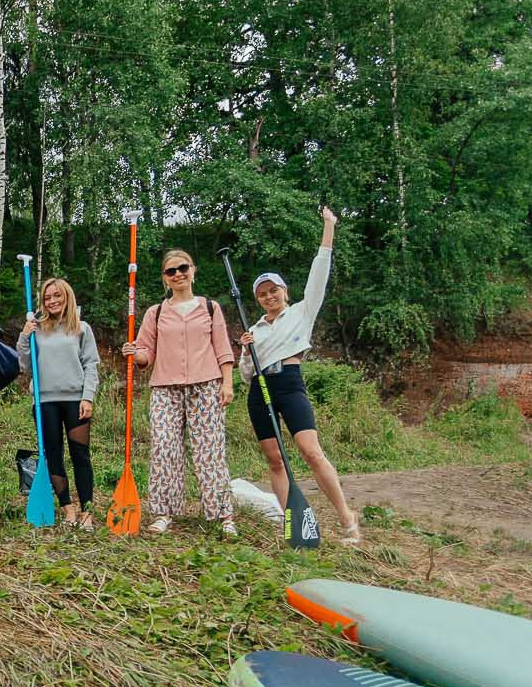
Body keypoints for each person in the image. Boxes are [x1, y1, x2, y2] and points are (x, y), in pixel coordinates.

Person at [239, 206, 363, 545]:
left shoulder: (302, 312)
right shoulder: (255, 329)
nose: (269, 297)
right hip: (260, 390)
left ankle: (347, 518)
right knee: (274, 459)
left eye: (273, 290)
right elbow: (246, 375)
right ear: (258, 299)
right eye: (262, 293)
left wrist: (329, 226)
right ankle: (292, 524)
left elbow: (320, 269)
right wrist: (246, 351)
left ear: (284, 291)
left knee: (310, 451)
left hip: (289, 384)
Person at [124, 249, 236, 536]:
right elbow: (146, 353)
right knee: (164, 448)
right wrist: (135, 353)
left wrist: (227, 383)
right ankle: (164, 512)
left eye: (183, 268)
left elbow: (223, 349)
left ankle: (223, 515)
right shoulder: (156, 312)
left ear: (193, 270)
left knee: (210, 451)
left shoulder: (210, 307)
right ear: (165, 278)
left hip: (206, 386)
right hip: (165, 388)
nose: (178, 274)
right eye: (171, 271)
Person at [16, 277, 99, 528]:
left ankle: (86, 513)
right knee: (52, 455)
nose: (52, 301)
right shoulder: (37, 329)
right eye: (47, 297)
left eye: (57, 296)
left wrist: (87, 397)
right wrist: (24, 336)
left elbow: (91, 364)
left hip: (75, 400)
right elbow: (24, 364)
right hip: (45, 402)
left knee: (80, 455)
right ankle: (68, 510)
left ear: (67, 297)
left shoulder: (82, 328)